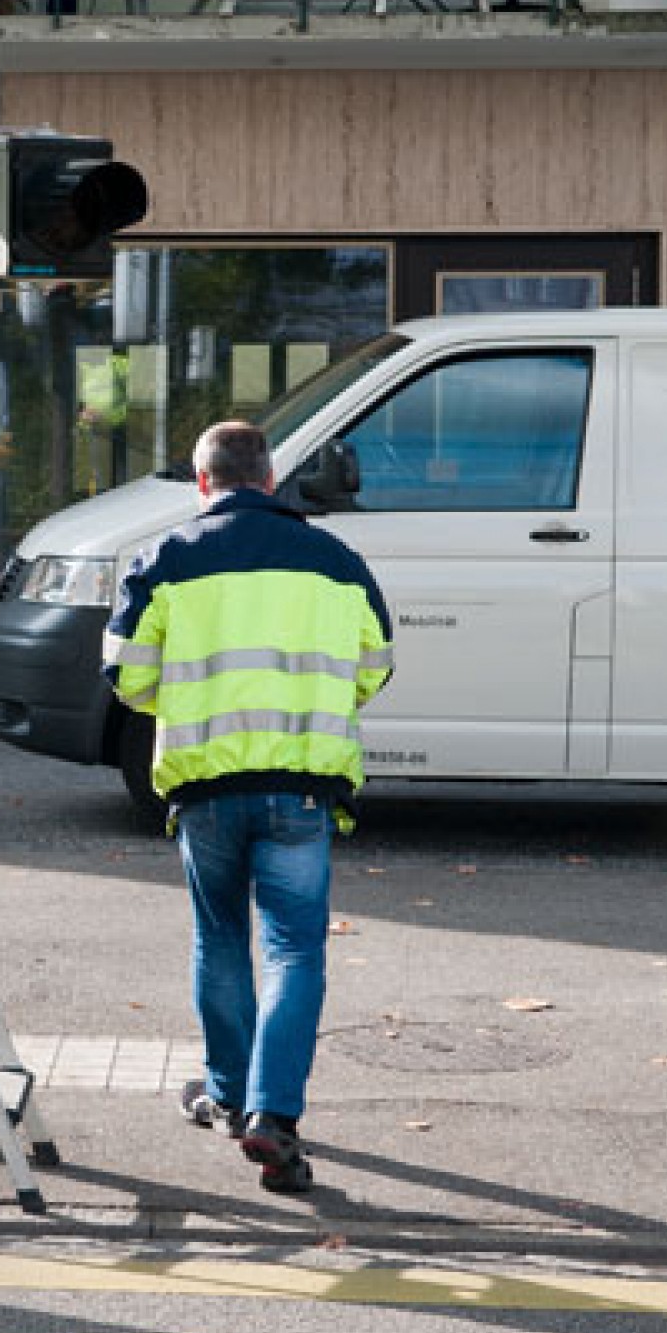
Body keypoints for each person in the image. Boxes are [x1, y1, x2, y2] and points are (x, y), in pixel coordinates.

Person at [102, 418, 394, 1195]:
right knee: (296, 950)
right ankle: (275, 1117)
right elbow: (375, 665)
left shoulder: (163, 560)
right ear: (270, 480)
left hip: (206, 786)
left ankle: (227, 1096)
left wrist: (190, 699)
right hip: (302, 783)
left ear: (204, 483)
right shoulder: (336, 561)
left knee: (221, 939)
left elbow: (125, 676)